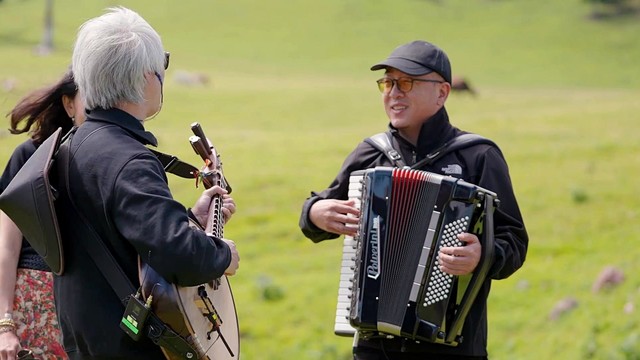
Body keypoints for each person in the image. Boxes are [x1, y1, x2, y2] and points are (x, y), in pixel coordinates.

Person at [299, 40, 528, 359]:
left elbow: (514, 241)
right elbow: (318, 213)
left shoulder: (478, 156)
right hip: (374, 347)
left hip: (454, 349)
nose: (394, 92)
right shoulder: (371, 154)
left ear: (442, 92)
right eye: (388, 83)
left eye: (406, 82)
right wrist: (315, 213)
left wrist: (482, 256)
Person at [53, 6, 240, 359]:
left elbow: (119, 230)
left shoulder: (72, 145)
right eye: (161, 66)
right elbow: (178, 254)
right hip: (127, 348)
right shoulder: (129, 159)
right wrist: (222, 254)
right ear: (143, 78)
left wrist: (187, 219)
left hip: (85, 342)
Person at [0, 69, 85, 360]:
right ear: (69, 103)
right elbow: (6, 248)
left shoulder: (111, 164)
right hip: (31, 311)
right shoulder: (30, 157)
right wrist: (4, 326)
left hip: (84, 314)